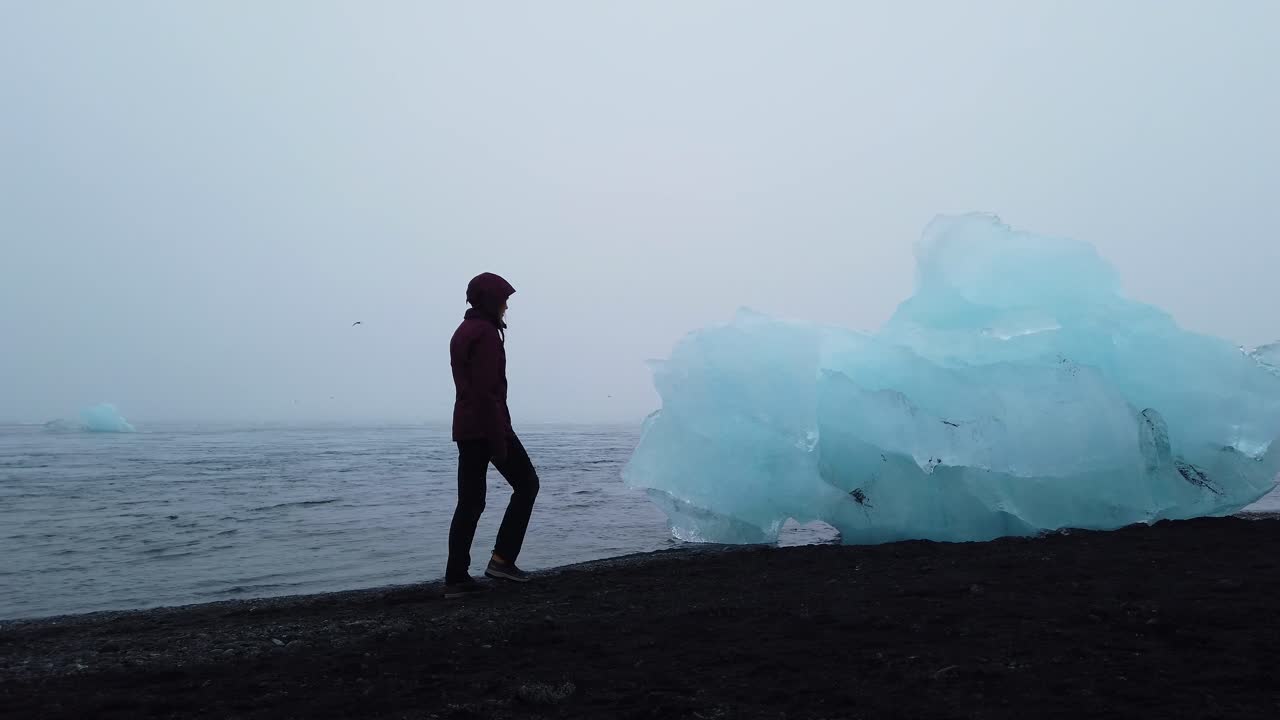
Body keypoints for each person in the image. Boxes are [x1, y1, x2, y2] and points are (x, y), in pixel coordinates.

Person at [444, 272, 540, 598]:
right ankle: (502, 560)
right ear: (490, 301)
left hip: (467, 427)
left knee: (470, 502)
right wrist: (499, 439)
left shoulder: (464, 331)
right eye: (504, 300)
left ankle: (456, 577)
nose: (506, 307)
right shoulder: (485, 334)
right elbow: (487, 392)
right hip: (489, 425)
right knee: (527, 484)